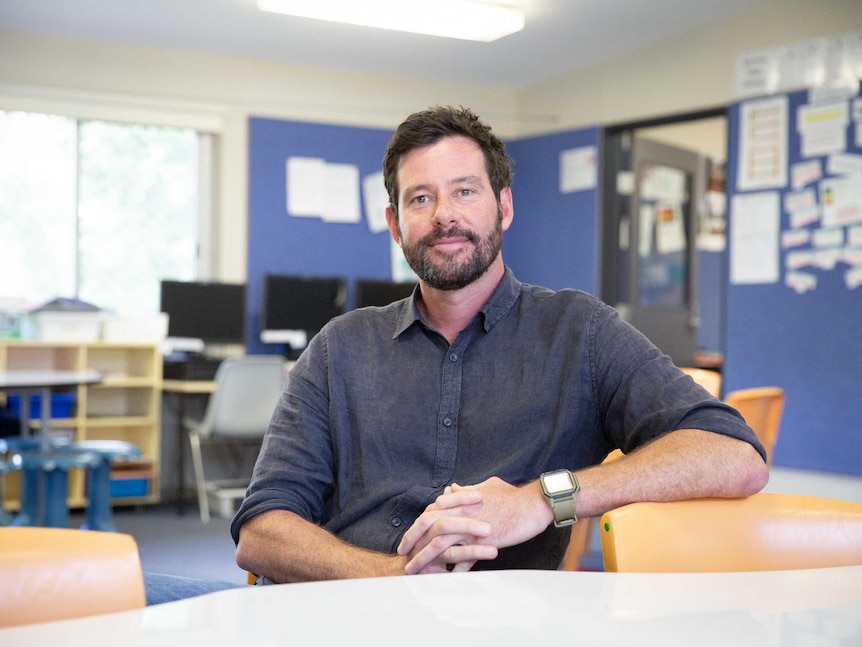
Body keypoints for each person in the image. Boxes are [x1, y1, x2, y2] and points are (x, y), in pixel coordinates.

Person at [231, 105, 768, 583]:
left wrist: (544, 499)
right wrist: (391, 574)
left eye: (465, 190)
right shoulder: (338, 349)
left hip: (500, 623)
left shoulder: (577, 332)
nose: (444, 214)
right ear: (395, 225)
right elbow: (260, 530)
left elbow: (735, 455)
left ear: (503, 207)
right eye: (421, 198)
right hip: (336, 611)